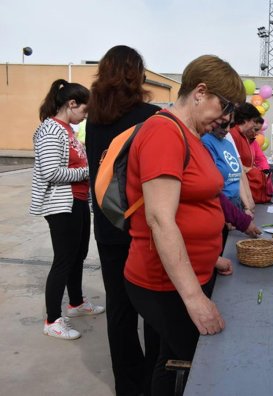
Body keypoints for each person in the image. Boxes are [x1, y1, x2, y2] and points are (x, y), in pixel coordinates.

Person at [123, 54, 245, 395]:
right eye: (225, 106)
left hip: (190, 273)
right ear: (200, 92)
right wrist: (194, 299)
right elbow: (161, 219)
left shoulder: (190, 134)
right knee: (196, 365)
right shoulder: (164, 132)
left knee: (171, 359)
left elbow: (196, 201)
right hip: (164, 284)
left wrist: (209, 258)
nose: (225, 118)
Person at [85, 45, 160, 396]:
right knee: (155, 307)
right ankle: (154, 380)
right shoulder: (152, 116)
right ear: (137, 74)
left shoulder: (95, 120)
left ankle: (128, 387)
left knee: (120, 309)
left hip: (107, 224)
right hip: (144, 226)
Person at [30, 79, 105, 341]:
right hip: (62, 204)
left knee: (78, 254)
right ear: (71, 104)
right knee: (64, 259)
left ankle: (76, 303)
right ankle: (52, 319)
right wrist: (89, 171)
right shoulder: (51, 130)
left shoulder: (67, 130)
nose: (85, 117)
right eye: (84, 111)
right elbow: (51, 172)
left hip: (78, 200)